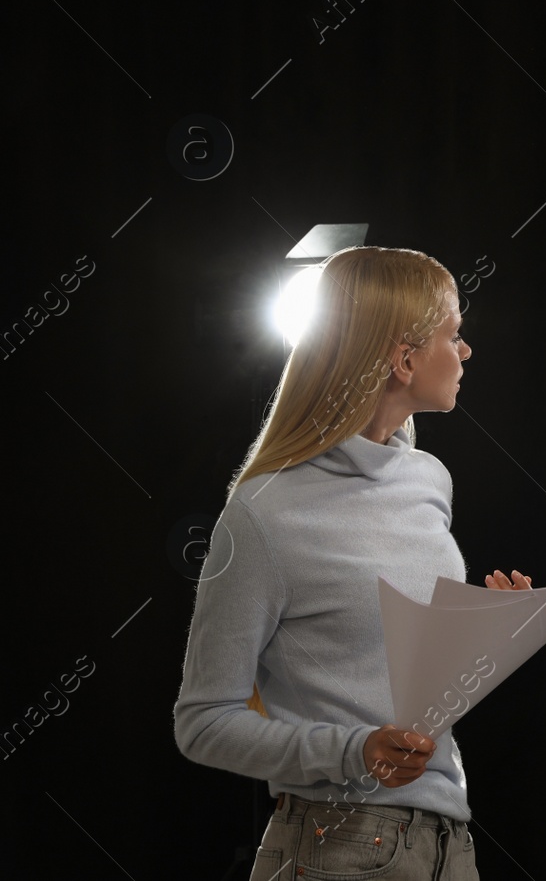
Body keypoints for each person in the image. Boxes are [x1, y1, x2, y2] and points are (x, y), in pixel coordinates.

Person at [175, 246, 482, 881]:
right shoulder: (264, 513)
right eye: (454, 335)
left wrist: (496, 621)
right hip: (336, 843)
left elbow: (397, 678)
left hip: (448, 841)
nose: (466, 351)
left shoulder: (430, 481)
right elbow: (203, 722)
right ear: (403, 358)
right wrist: (353, 752)